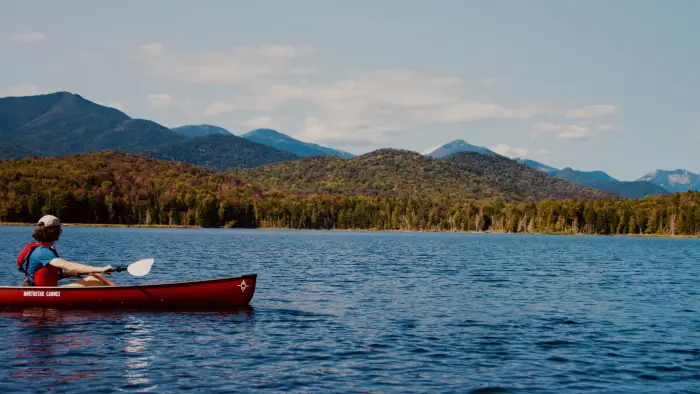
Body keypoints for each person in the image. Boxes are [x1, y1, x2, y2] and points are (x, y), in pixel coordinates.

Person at [17, 215, 116, 287]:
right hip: (44, 292)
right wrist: (102, 269)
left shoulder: (44, 248)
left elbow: (47, 275)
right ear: (55, 231)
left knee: (96, 276)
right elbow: (69, 266)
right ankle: (123, 294)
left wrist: (68, 274)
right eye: (59, 229)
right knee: (95, 278)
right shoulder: (42, 251)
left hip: (48, 290)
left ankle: (121, 293)